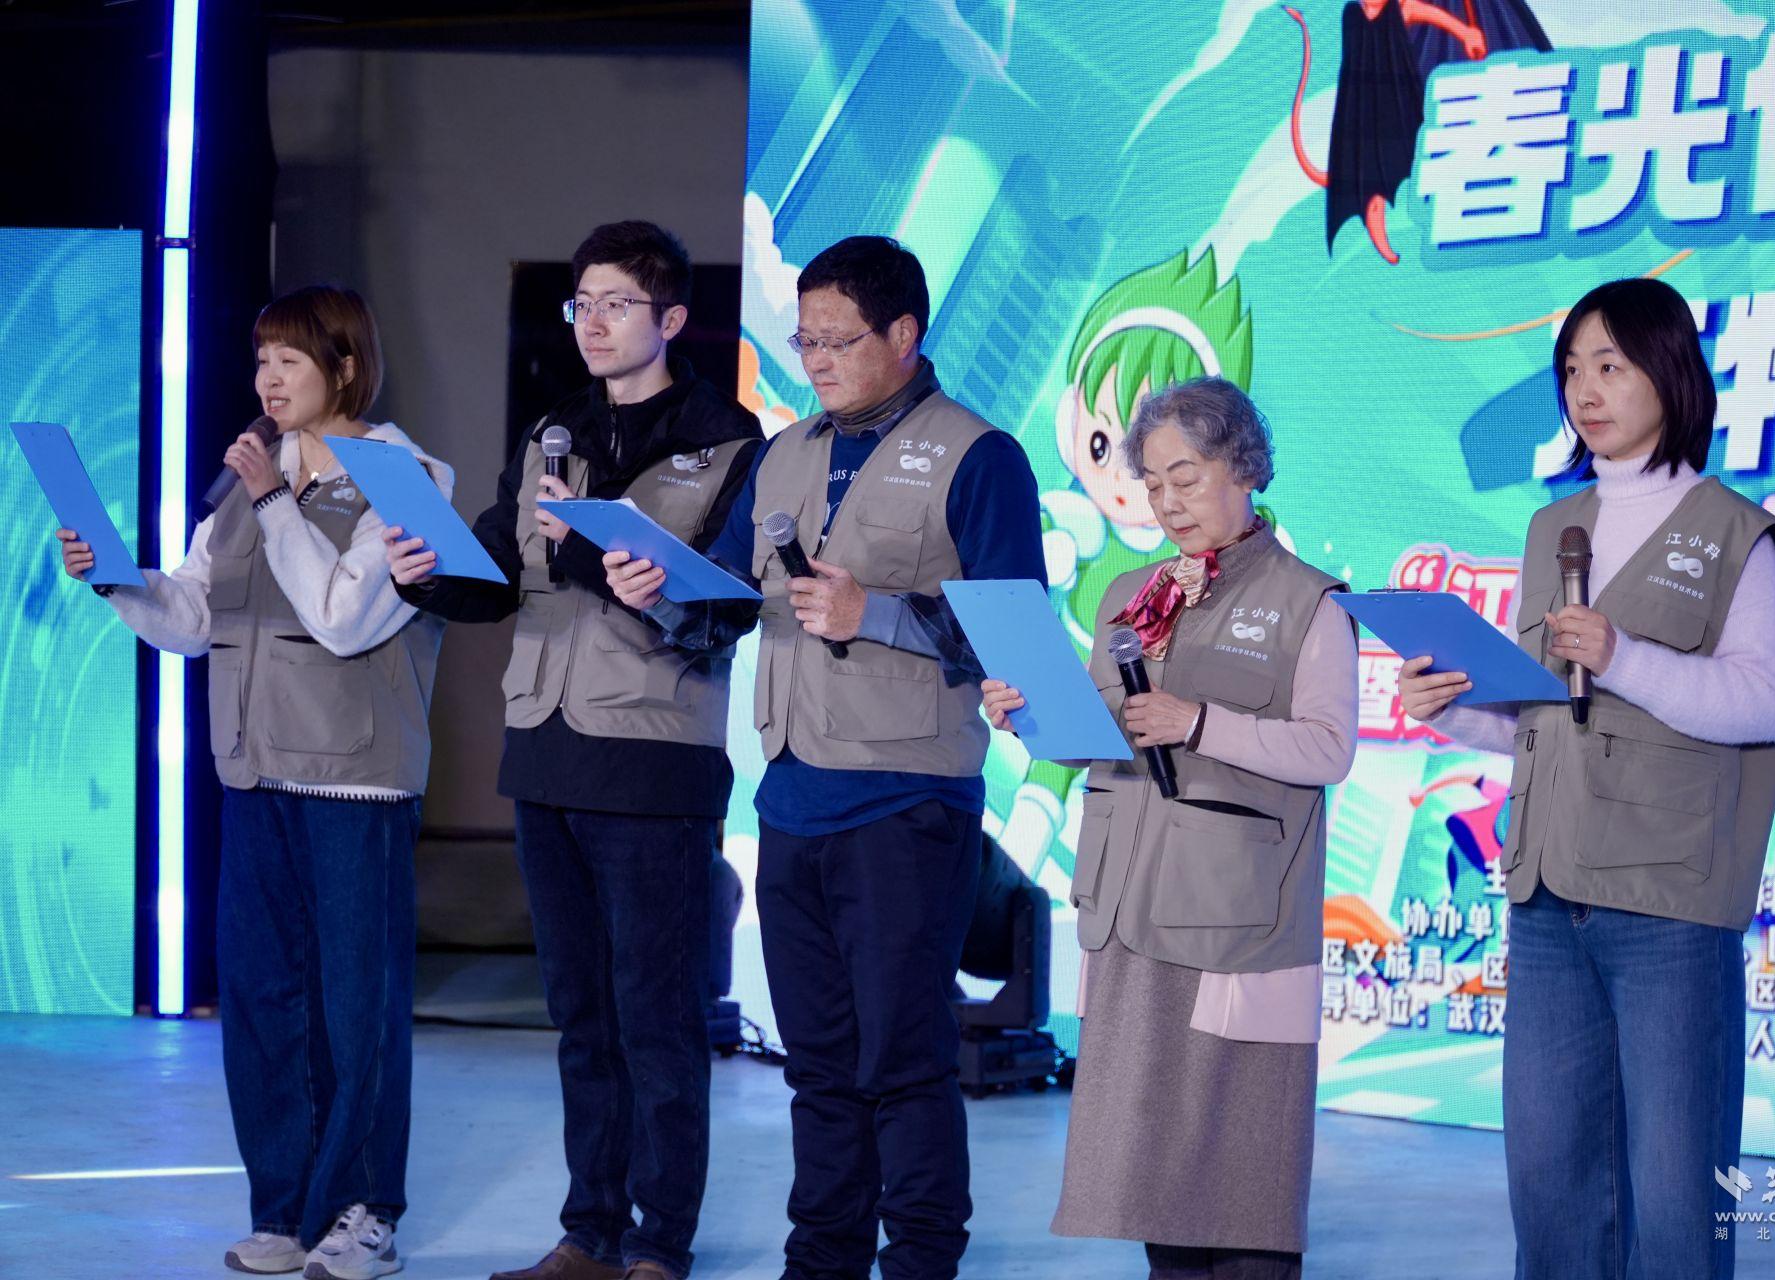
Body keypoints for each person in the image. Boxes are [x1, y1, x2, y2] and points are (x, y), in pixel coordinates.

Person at [606, 234, 1045, 1280]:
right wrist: (658, 592)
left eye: (838, 340)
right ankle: (823, 1259)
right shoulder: (785, 452)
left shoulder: (981, 454)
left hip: (908, 801)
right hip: (792, 798)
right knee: (818, 1064)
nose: (815, 360)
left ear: (904, 333)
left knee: (906, 1059)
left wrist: (873, 611)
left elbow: (1017, 633)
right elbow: (726, 602)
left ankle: (922, 1259)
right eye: (804, 340)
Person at [1397, 276, 1775, 1279]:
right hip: (1546, 897)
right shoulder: (1554, 529)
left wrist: (1624, 657)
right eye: (1573, 368)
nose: (1586, 389)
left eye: (1611, 365)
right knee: (1550, 1189)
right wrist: (1449, 709)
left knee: (1675, 1198)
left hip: (1668, 904)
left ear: (1670, 371)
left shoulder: (1736, 533)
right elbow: (1549, 718)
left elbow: (1765, 701)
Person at [386, 221, 760, 1280]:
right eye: (580, 303)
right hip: (545, 748)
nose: (593, 322)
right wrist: (428, 570)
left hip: (653, 756)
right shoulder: (554, 430)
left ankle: (658, 1240)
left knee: (658, 1016)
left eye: (616, 304)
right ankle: (589, 1228)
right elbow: (502, 574)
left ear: (670, 318)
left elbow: (732, 609)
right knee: (581, 1014)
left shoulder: (731, 441)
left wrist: (602, 554)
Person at [59, 285, 450, 1280]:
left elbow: (346, 619)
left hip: (356, 782)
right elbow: (195, 617)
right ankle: (283, 1207)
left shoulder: (408, 477)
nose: (267, 379)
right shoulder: (249, 478)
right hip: (253, 771)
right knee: (266, 999)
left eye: (290, 360)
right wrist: (120, 579)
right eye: (261, 359)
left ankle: (365, 1211)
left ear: (346, 368)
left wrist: (276, 502)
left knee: (356, 1004)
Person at [982, 377, 1357, 1280]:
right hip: (1129, 913)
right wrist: (1031, 716)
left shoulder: (1310, 601)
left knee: (1244, 1187)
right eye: (1152, 484)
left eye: (1185, 477)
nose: (1166, 502)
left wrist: (1198, 723)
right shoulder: (1130, 594)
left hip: (1238, 924)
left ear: (1245, 467)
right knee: (1157, 1190)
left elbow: (1330, 747)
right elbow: (1102, 731)